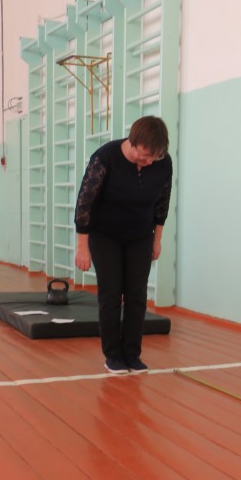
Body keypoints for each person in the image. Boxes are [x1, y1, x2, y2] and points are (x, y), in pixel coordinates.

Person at [74, 116, 172, 374]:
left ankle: (132, 354)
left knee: (137, 296)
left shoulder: (163, 162)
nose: (149, 161)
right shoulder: (105, 158)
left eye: (155, 157)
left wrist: (157, 240)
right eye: (145, 155)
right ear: (133, 141)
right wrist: (82, 247)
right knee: (111, 294)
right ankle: (113, 355)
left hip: (140, 236)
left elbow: (162, 204)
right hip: (104, 235)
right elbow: (85, 204)